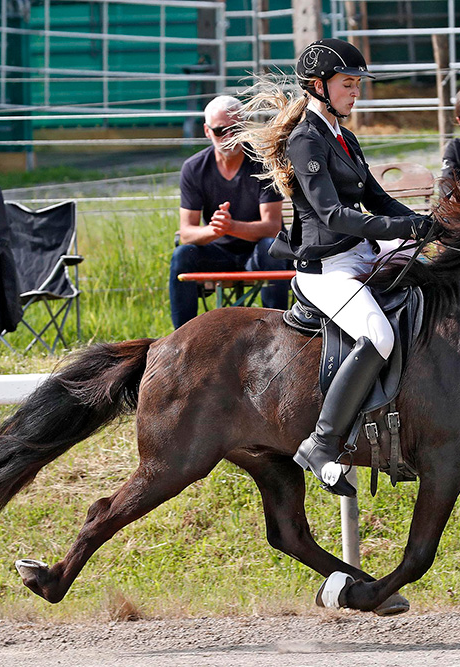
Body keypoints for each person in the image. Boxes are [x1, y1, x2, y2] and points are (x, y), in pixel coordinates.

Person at [237, 38, 432, 497]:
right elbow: (332, 214)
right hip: (327, 270)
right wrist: (399, 225)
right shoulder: (305, 138)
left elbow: (376, 198)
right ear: (319, 86)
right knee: (378, 336)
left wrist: (421, 222)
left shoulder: (344, 136)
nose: (356, 91)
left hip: (361, 254)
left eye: (357, 83)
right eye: (348, 83)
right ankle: (322, 444)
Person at [169, 95, 289, 329]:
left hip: (257, 253)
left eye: (236, 129)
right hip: (217, 253)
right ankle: (182, 338)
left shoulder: (263, 163)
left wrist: (231, 226)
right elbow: (186, 232)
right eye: (220, 131)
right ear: (206, 131)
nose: (229, 137)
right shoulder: (194, 168)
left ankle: (280, 330)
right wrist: (214, 230)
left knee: (270, 248)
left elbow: (272, 226)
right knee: (182, 255)